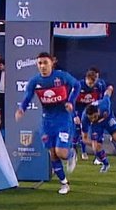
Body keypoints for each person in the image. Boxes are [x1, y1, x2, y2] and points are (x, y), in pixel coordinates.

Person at [16, 52, 81, 195]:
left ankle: (71, 154)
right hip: (47, 122)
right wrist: (22, 109)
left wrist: (70, 101)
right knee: (52, 154)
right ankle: (64, 184)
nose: (42, 66)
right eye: (40, 63)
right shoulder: (35, 81)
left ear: (52, 63)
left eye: (45, 62)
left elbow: (76, 85)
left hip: (63, 119)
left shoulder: (61, 76)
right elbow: (28, 96)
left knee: (61, 153)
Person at [73, 68, 112, 160]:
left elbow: (101, 100)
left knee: (95, 131)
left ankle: (97, 155)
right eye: (90, 83)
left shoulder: (99, 85)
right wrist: (74, 115)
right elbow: (71, 101)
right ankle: (78, 151)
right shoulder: (78, 85)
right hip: (79, 109)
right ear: (86, 79)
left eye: (93, 83)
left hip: (92, 110)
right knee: (78, 131)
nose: (91, 85)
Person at [82, 95, 116, 173]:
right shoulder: (85, 119)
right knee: (96, 147)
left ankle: (113, 140)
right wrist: (95, 145)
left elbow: (109, 90)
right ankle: (106, 164)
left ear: (98, 111)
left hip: (108, 119)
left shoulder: (104, 105)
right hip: (97, 126)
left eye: (94, 117)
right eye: (91, 118)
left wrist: (109, 88)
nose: (93, 119)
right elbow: (84, 138)